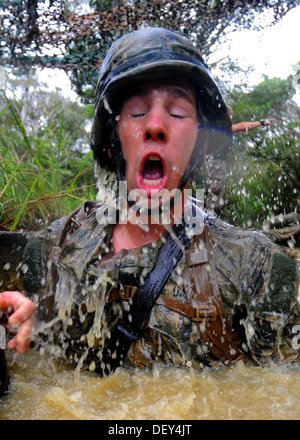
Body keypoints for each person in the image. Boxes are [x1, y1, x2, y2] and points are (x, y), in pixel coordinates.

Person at [0, 28, 299, 382]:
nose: (155, 125)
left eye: (177, 112)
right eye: (139, 111)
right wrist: (19, 328)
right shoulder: (53, 252)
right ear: (114, 142)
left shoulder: (256, 271)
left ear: (201, 146)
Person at [205, 105, 273, 216]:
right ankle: (209, 216)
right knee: (216, 188)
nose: (230, 118)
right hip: (214, 161)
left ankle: (208, 216)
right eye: (230, 115)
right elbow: (242, 126)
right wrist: (261, 123)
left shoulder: (215, 125)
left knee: (215, 188)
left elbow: (241, 126)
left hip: (212, 161)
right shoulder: (217, 125)